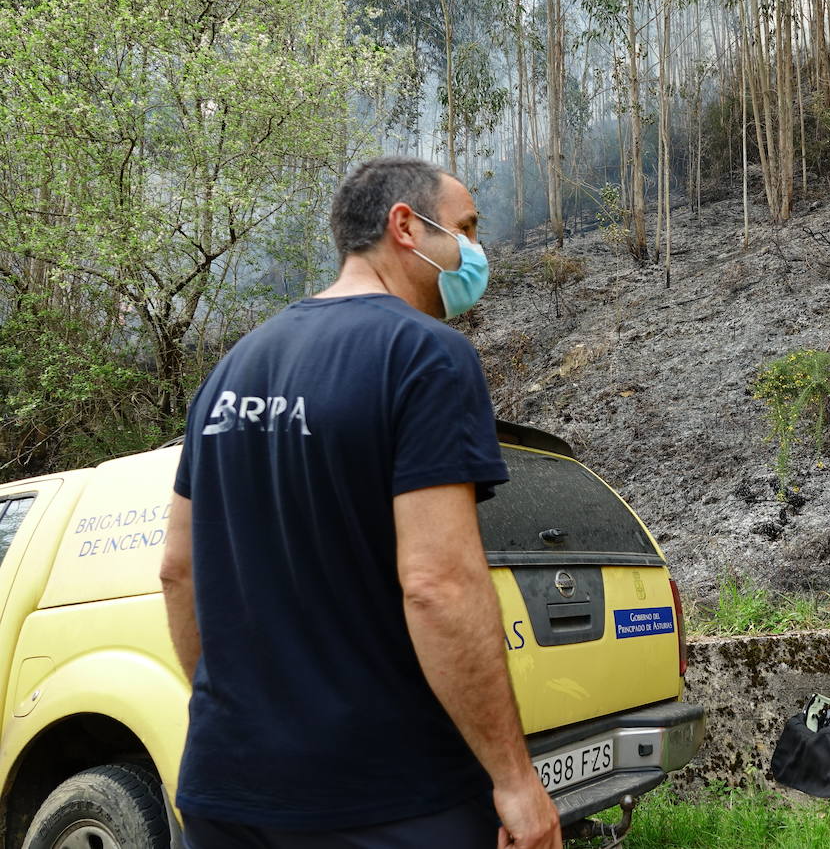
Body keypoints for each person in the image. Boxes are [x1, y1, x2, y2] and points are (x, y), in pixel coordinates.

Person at [159, 157, 561, 849]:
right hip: (386, 799)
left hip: (227, 791)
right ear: (405, 226)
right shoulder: (424, 356)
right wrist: (516, 781)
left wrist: (246, 724)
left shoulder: (232, 369)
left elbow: (177, 569)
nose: (474, 252)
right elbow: (438, 585)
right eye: (464, 229)